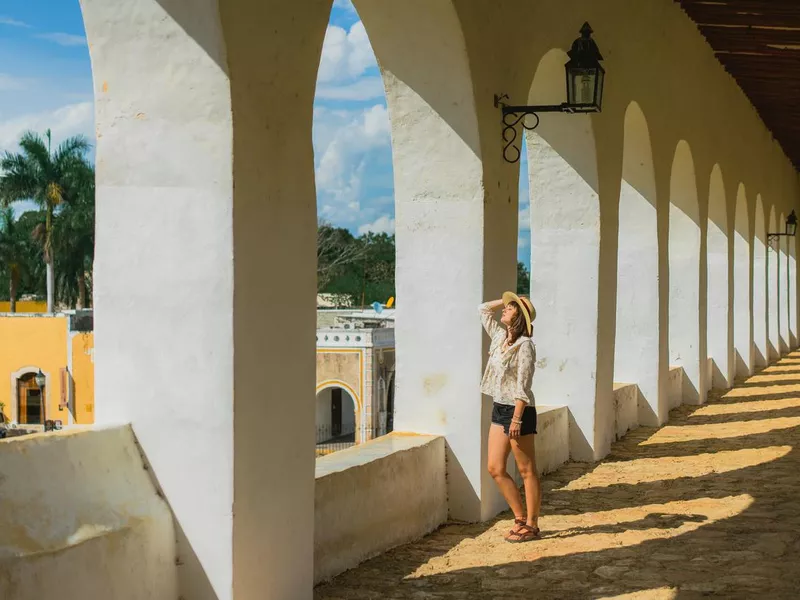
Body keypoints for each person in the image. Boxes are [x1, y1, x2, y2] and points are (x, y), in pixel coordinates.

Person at [479, 292, 541, 542]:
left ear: (520, 318)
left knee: (526, 470)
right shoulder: (499, 337)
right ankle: (519, 517)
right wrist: (507, 300)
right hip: (499, 408)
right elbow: (483, 309)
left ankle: (532, 524)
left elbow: (523, 386)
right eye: (507, 306)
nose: (505, 310)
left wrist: (516, 419)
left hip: (519, 411)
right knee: (495, 468)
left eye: (511, 308)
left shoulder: (524, 346)